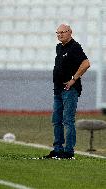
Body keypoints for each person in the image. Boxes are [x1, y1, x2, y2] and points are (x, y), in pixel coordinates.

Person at [43, 24, 90, 159]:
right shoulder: (59, 47)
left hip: (70, 90)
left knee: (68, 120)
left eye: (63, 32)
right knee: (56, 120)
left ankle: (68, 151)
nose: (60, 35)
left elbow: (86, 63)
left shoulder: (75, 47)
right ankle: (58, 149)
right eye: (58, 33)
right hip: (58, 89)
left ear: (70, 32)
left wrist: (73, 79)